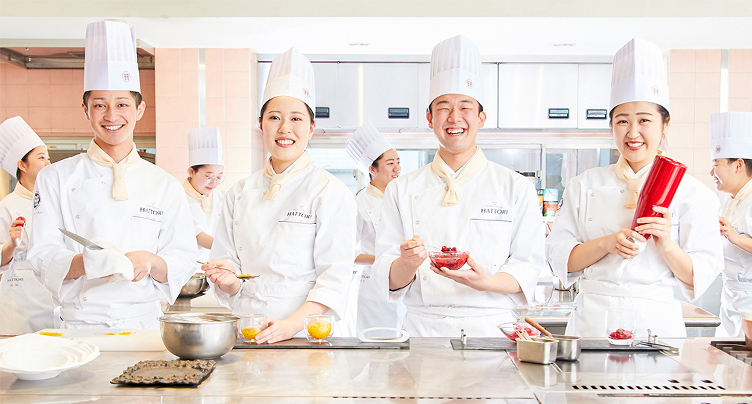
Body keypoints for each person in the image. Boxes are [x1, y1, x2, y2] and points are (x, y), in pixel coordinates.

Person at [545, 38, 723, 338]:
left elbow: (697, 276)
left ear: (665, 124)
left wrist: (665, 242)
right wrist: (608, 243)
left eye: (645, 120)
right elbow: (561, 260)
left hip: (656, 323)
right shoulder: (583, 184)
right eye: (622, 121)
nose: (633, 132)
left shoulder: (694, 193)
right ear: (611, 125)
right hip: (593, 321)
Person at [27, 20, 197, 329]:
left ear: (140, 109)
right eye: (99, 105)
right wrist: (87, 263)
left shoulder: (164, 185)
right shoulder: (55, 177)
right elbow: (40, 255)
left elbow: (183, 257)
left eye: (121, 104)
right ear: (85, 109)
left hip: (144, 325)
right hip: (80, 326)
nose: (111, 116)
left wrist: (151, 261)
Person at [373, 35, 545, 337]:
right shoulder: (402, 189)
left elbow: (529, 265)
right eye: (443, 107)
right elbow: (388, 276)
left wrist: (487, 282)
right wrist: (407, 262)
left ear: (481, 118)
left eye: (465, 107)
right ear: (429, 118)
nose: (454, 118)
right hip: (422, 331)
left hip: (491, 330)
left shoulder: (515, 187)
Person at [204, 48, 357, 343]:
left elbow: (334, 278)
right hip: (247, 329)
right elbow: (230, 272)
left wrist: (289, 326)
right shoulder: (239, 192)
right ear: (261, 125)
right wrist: (228, 280)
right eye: (274, 117)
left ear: (311, 128)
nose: (284, 128)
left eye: (296, 119)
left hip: (306, 333)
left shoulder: (329, 192)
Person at [345, 121, 406, 332]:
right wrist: (382, 260)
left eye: (398, 162)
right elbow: (345, 253)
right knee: (375, 351)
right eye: (390, 163)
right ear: (372, 169)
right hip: (372, 290)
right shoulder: (359, 203)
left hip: (405, 284)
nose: (397, 168)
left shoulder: (402, 199)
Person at [0, 116, 57, 333]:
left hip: (51, 298)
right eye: (41, 157)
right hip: (19, 302)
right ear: (22, 164)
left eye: (48, 158)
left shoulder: (54, 202)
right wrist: (11, 245)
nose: (48, 163)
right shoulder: (8, 206)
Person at [710, 112, 752, 337]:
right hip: (730, 299)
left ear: (738, 165)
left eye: (716, 164)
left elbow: (733, 236)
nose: (712, 172)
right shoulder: (728, 199)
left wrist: (734, 236)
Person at [184, 126, 226, 265]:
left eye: (219, 177)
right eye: (209, 177)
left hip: (218, 263)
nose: (214, 183)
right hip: (189, 266)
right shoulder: (179, 197)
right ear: (191, 172)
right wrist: (228, 248)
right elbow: (197, 236)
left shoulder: (222, 198)